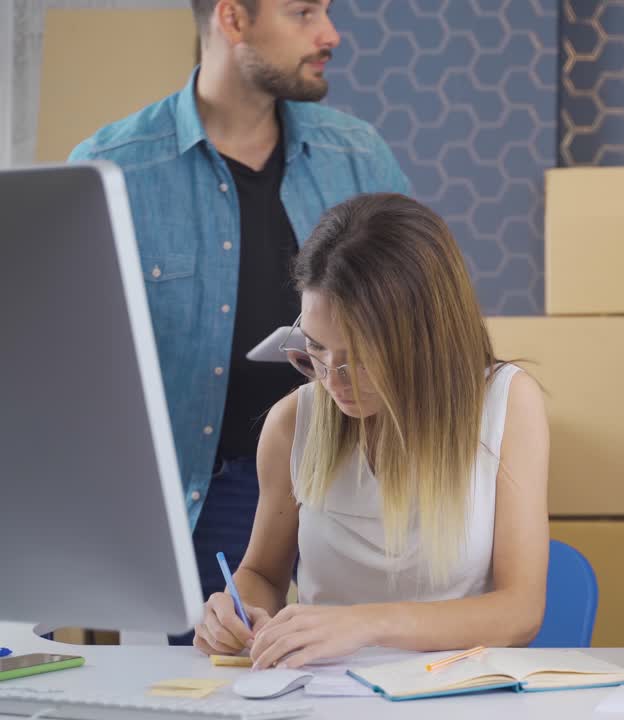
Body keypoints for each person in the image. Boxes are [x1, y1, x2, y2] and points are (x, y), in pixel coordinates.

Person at [68, 0, 411, 636]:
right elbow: (69, 368)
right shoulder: (113, 167)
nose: (329, 34)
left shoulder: (358, 157)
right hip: (199, 501)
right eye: (303, 12)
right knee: (207, 686)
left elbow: (424, 316)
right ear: (232, 19)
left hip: (360, 487)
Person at [190, 193, 550, 666]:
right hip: (322, 695)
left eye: (359, 359)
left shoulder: (507, 405)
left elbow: (520, 612)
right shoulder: (292, 422)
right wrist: (235, 609)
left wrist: (367, 624)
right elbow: (262, 573)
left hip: (457, 693)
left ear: (426, 338)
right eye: (316, 350)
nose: (332, 382)